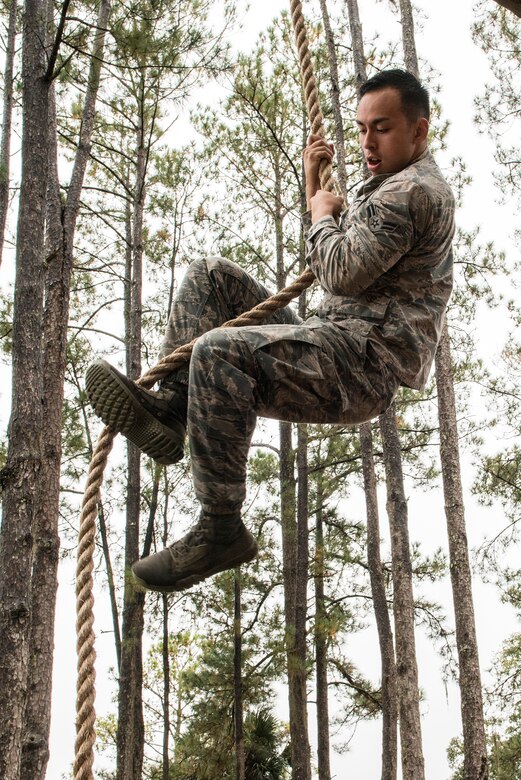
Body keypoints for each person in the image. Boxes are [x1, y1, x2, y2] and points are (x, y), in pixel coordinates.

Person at [85, 68, 455, 594]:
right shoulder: (390, 186)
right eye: (363, 128)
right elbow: (346, 257)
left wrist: (319, 211)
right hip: (332, 340)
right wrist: (316, 191)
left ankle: (221, 527)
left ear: (419, 131)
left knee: (219, 354)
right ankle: (172, 408)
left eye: (384, 128)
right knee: (210, 276)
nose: (369, 142)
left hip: (360, 366)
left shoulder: (415, 192)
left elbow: (344, 270)